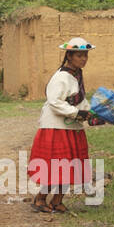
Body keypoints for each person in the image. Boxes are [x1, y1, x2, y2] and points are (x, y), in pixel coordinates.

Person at [30, 37, 94, 214]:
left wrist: (91, 113)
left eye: (85, 56)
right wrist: (76, 113)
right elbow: (54, 102)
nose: (83, 59)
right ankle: (40, 199)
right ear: (69, 56)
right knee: (57, 166)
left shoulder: (76, 76)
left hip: (71, 127)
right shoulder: (61, 77)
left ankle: (57, 201)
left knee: (70, 165)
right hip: (56, 127)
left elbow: (80, 100)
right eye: (79, 55)